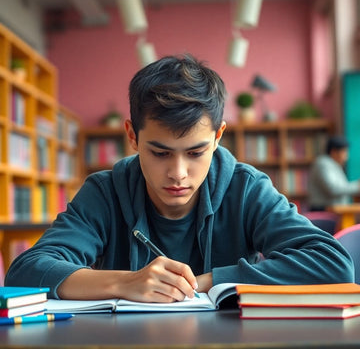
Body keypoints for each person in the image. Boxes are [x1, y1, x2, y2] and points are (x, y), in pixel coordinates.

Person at [5, 54, 354, 302]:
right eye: (159, 153)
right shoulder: (105, 191)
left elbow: (334, 264)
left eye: (195, 152)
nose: (178, 173)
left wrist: (209, 282)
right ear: (132, 135)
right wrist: (126, 283)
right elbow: (26, 271)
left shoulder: (246, 188)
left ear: (218, 136)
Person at [308, 136, 360, 211]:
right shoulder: (323, 163)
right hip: (323, 211)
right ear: (334, 152)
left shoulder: (334, 164)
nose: (346, 156)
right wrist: (358, 186)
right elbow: (333, 189)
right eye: (344, 151)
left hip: (334, 210)